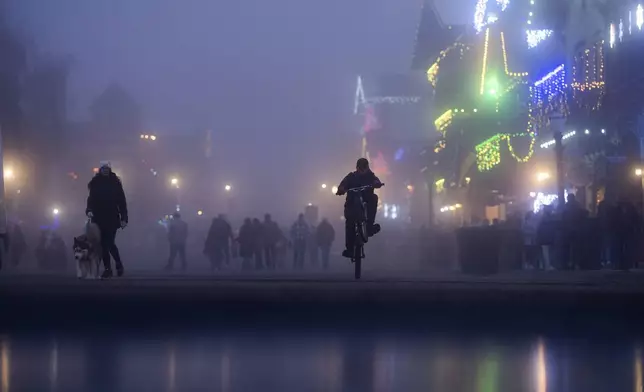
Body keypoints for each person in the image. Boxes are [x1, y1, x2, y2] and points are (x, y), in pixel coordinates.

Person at [86, 161, 128, 279]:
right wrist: (89, 210)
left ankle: (117, 265)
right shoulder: (95, 183)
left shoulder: (115, 183)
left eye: (107, 168)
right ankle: (109, 268)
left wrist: (124, 217)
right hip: (99, 217)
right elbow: (91, 199)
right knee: (103, 244)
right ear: (100, 169)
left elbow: (121, 201)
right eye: (103, 168)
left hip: (111, 217)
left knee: (109, 243)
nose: (105, 170)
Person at [335, 158, 382, 258]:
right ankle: (350, 249)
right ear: (357, 168)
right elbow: (343, 184)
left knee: (374, 198)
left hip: (367, 203)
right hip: (351, 205)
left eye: (364, 169)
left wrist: (377, 183)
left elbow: (376, 181)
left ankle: (369, 227)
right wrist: (341, 189)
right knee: (349, 225)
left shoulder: (370, 176)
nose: (362, 171)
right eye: (360, 169)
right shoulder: (351, 177)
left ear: (367, 168)